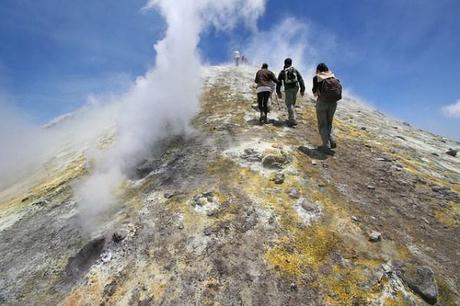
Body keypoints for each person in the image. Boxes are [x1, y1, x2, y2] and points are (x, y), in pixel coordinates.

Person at [312, 63, 342, 153]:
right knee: (329, 123)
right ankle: (332, 141)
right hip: (333, 103)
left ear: (318, 69)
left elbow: (314, 92)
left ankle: (326, 145)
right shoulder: (334, 77)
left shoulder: (317, 77)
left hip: (322, 103)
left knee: (322, 124)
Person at [276, 58, 305, 127]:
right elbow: (300, 79)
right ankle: (292, 117)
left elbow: (279, 82)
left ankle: (292, 120)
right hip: (295, 88)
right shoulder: (295, 70)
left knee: (289, 104)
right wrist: (302, 89)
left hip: (288, 89)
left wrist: (278, 92)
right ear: (291, 63)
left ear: (284, 63)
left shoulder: (282, 72)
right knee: (292, 103)